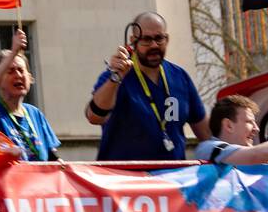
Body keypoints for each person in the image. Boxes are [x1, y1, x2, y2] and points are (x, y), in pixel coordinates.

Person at [87, 11, 207, 161]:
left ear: (167, 39)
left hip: (172, 178)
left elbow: (206, 135)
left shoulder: (180, 77)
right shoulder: (116, 76)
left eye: (159, 38)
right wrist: (116, 77)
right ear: (132, 41)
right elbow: (94, 117)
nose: (154, 45)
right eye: (146, 39)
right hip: (125, 181)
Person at [0, 28, 60, 161]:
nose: (18, 75)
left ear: (30, 78)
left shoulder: (35, 114)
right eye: (11, 71)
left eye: (21, 70)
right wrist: (14, 52)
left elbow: (53, 158)